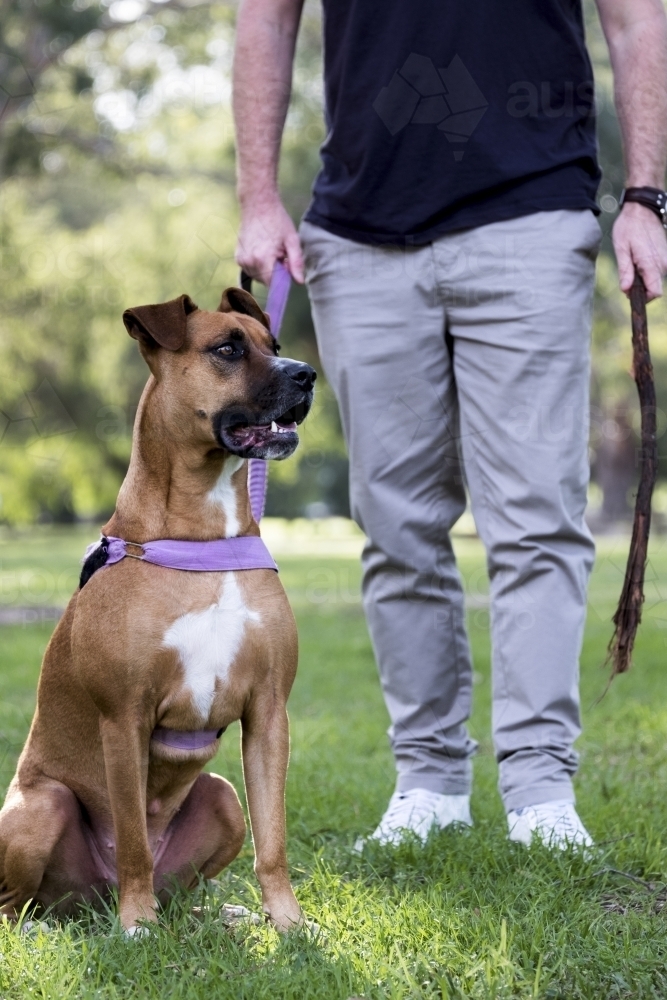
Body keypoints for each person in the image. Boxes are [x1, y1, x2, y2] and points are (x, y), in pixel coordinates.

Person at [232, 0, 667, 848]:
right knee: (395, 524)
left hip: (531, 215)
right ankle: (429, 782)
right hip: (358, 233)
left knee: (537, 515)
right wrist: (257, 196)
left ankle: (541, 790)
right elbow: (265, 17)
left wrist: (647, 197)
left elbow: (636, 16)